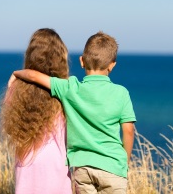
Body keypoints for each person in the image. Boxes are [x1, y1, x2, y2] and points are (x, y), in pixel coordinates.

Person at [9, 31, 136, 194]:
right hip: (113, 168)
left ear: (82, 61)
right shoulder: (121, 93)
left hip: (82, 168)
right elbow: (128, 131)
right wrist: (124, 162)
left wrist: (16, 73)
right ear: (112, 65)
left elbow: (34, 77)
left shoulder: (70, 87)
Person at [0, 28, 72, 194]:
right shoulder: (65, 91)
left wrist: (16, 76)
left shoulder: (16, 88)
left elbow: (11, 129)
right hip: (56, 168)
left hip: (27, 167)